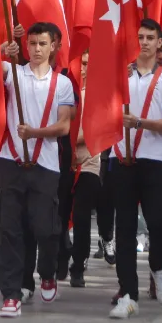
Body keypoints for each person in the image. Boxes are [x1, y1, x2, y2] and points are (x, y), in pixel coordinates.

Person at [106, 19, 162, 320]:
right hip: (122, 158)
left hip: (154, 159)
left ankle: (158, 267)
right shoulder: (121, 75)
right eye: (140, 37)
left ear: (160, 43)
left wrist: (140, 123)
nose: (145, 42)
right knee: (124, 229)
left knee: (157, 222)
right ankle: (128, 294)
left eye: (151, 37)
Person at [0, 23, 74, 318]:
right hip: (10, 160)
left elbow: (64, 126)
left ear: (53, 45)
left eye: (42, 43)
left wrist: (35, 132)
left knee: (45, 228)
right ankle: (11, 294)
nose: (37, 49)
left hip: (45, 165)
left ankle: (48, 272)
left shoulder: (62, 83)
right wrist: (4, 48)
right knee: (10, 229)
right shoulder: (13, 73)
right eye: (32, 44)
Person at [68, 50, 106, 287]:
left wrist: (73, 143)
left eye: (88, 64)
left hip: (88, 165)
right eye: (81, 64)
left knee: (82, 217)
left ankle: (78, 264)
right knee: (58, 216)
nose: (84, 69)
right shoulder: (66, 92)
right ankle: (61, 255)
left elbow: (97, 134)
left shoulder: (99, 98)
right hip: (63, 163)